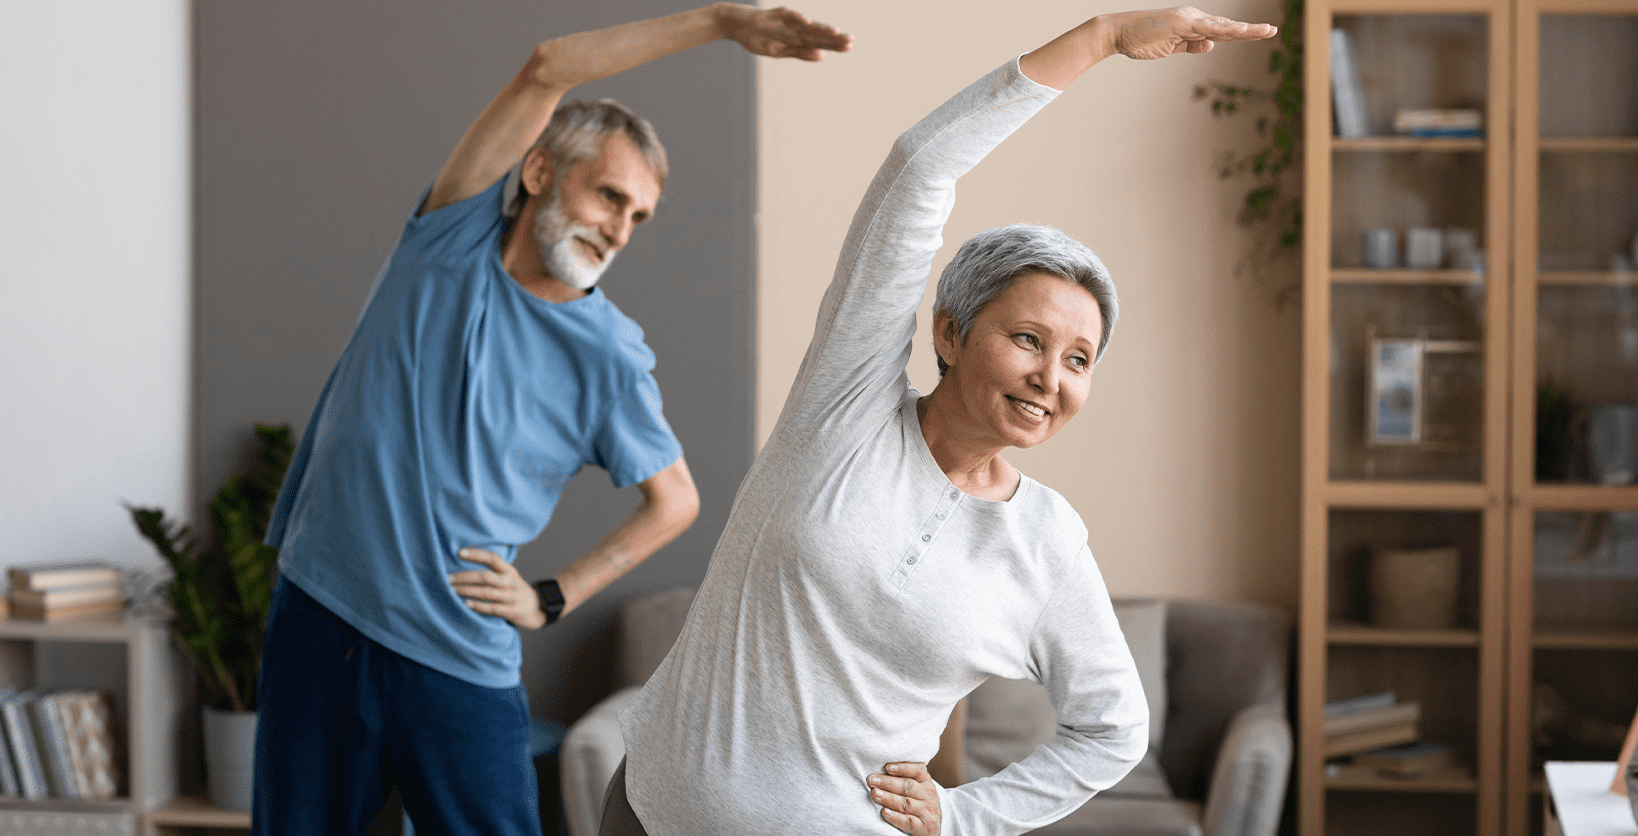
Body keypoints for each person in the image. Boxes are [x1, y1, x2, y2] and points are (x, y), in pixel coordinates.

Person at [609, 8, 1276, 836]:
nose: (1049, 377)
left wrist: (965, 817)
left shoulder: (1046, 541)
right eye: (1028, 339)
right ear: (951, 334)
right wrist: (1100, 39)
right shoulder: (844, 409)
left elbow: (1113, 730)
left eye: (1078, 360)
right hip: (650, 815)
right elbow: (920, 168)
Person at [252, 6, 851, 835]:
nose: (619, 228)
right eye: (610, 195)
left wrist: (552, 597)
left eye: (637, 216)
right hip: (321, 618)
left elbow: (675, 500)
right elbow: (548, 67)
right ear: (537, 172)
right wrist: (718, 22)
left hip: (456, 657)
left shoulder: (610, 356)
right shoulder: (448, 237)